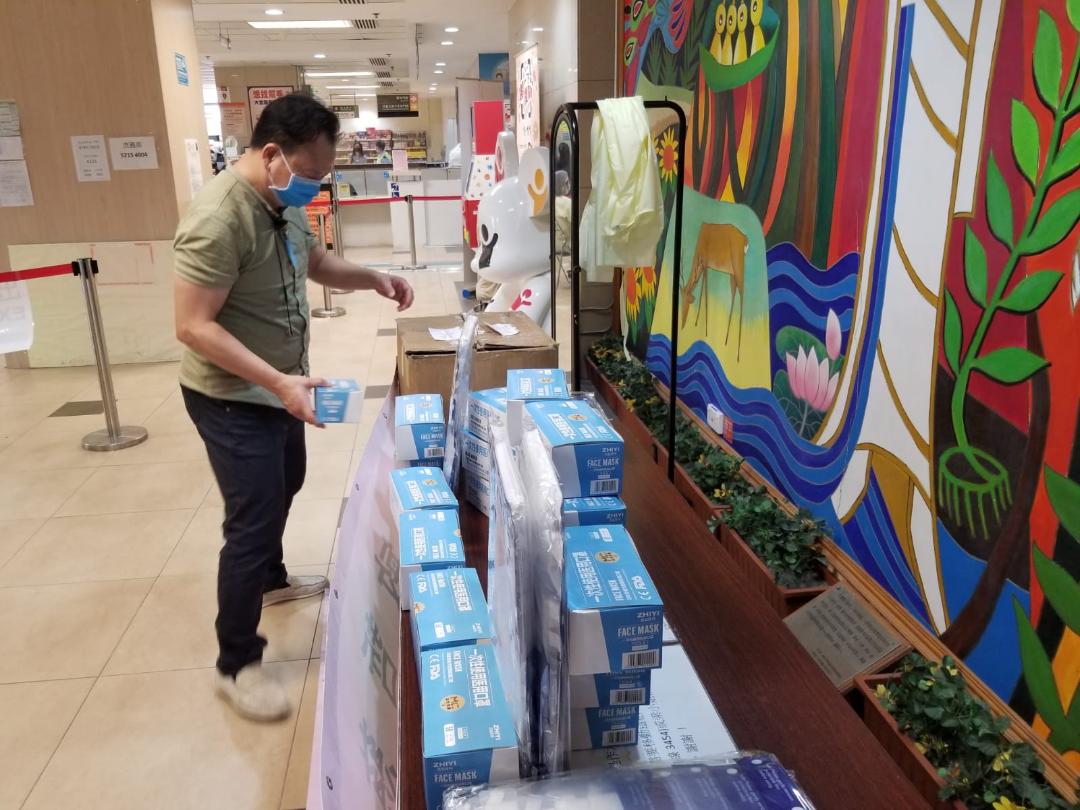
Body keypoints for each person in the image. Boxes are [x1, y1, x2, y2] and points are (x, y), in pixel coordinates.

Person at [173, 93, 414, 721]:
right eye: (309, 173)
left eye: (322, 175)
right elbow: (193, 325)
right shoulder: (219, 218)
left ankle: (271, 580)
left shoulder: (283, 202)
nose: (313, 185)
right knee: (251, 522)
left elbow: (314, 260)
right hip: (231, 396)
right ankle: (236, 663)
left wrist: (374, 278)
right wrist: (277, 384)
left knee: (289, 480)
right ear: (272, 154)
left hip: (282, 386)